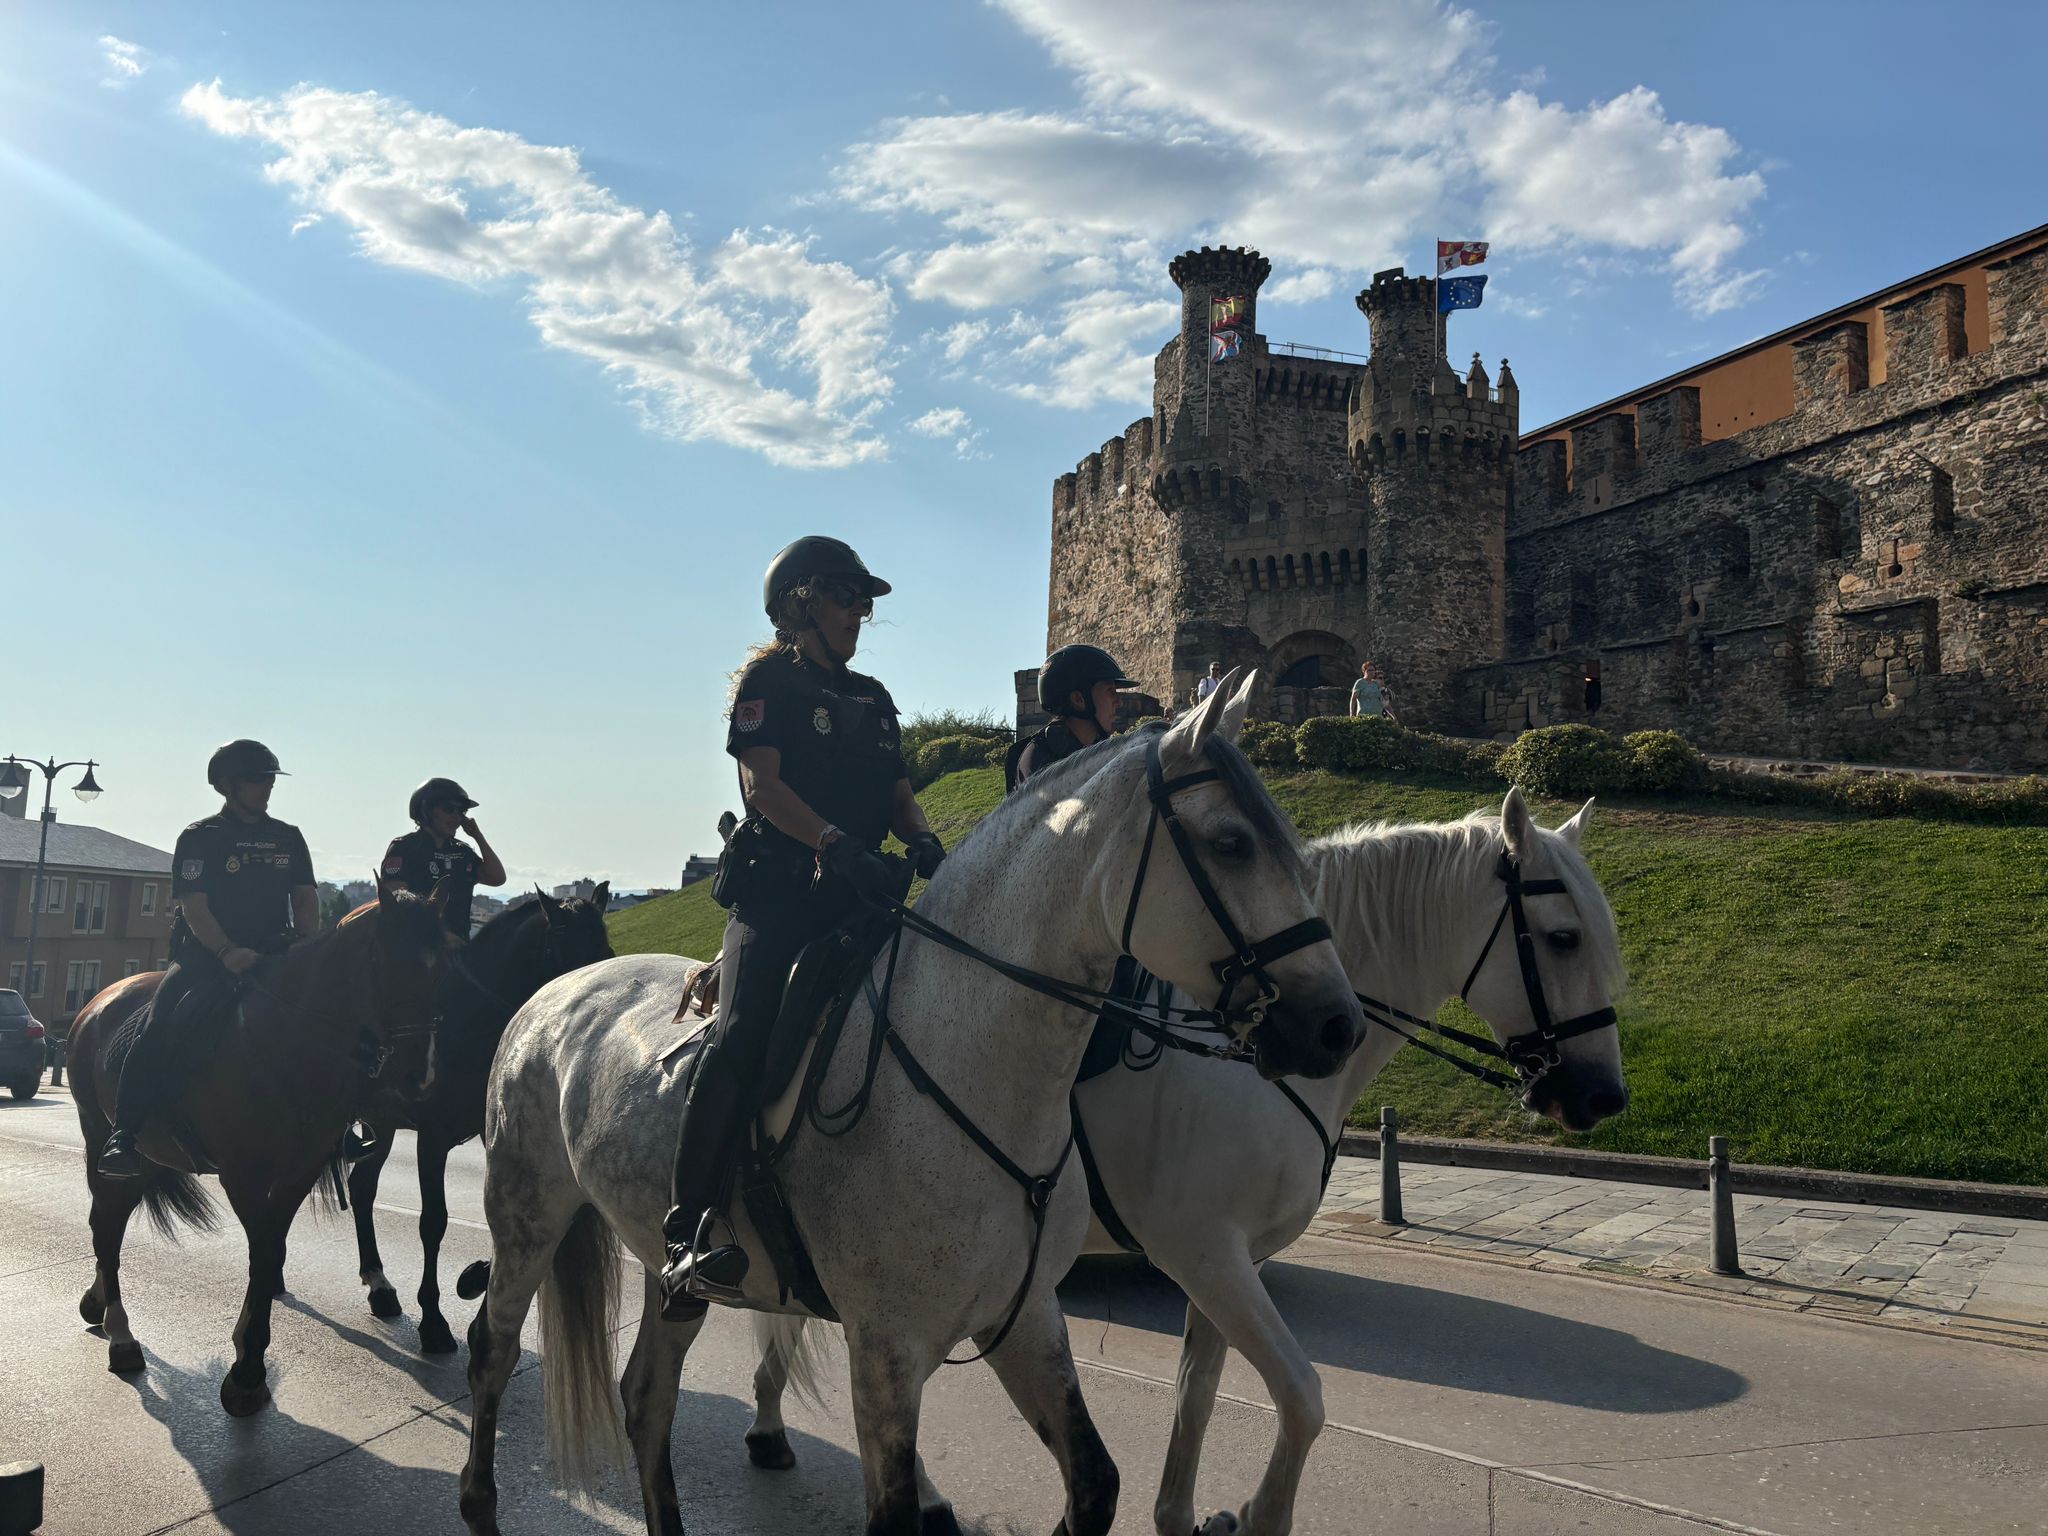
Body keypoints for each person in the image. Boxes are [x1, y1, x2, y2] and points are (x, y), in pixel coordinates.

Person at [660, 535, 944, 1313]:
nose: (861, 613)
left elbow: (896, 790)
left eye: (866, 602)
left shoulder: (874, 697)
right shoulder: (770, 682)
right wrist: (830, 842)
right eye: (848, 597)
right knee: (744, 1036)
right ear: (801, 602)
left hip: (861, 894)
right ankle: (686, 1238)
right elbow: (761, 787)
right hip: (781, 898)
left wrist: (920, 836)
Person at [98, 740, 319, 1179]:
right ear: (227, 785)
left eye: (270, 779)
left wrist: (308, 951)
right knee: (158, 1023)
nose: (267, 787)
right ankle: (124, 1135)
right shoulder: (201, 837)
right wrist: (225, 951)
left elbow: (306, 897)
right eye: (258, 779)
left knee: (327, 1019)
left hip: (275, 949)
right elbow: (193, 904)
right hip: (207, 953)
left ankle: (338, 1123)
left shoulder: (287, 836)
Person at [1004, 643, 1140, 791]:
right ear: (1079, 700)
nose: (1118, 702)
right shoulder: (1040, 762)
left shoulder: (1099, 750)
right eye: (1110, 691)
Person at [382, 777, 507, 937]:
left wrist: (478, 836)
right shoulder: (404, 848)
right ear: (426, 810)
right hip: (418, 948)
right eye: (449, 809)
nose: (456, 817)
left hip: (459, 947)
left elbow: (497, 878)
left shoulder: (463, 852)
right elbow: (394, 900)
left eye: (462, 812)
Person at [1349, 659, 1399, 724]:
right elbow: (1353, 699)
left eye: (1373, 670)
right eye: (1369, 670)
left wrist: (1394, 717)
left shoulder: (1377, 684)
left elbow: (1385, 703)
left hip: (1378, 718)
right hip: (1363, 717)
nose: (1371, 672)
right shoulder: (1360, 682)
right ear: (1364, 671)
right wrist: (1352, 715)